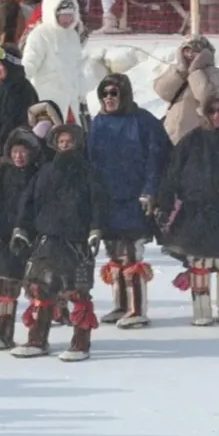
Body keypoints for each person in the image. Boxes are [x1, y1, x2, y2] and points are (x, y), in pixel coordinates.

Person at [10, 123, 110, 361]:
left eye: (69, 142)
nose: (65, 146)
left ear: (77, 144)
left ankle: (81, 343)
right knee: (39, 288)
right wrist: (21, 228)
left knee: (76, 292)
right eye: (61, 142)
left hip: (76, 239)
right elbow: (29, 202)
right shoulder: (45, 172)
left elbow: (99, 202)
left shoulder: (88, 172)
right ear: (55, 144)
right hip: (47, 238)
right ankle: (37, 339)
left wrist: (96, 229)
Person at [156, 90, 219, 326]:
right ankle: (202, 311)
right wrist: (164, 204)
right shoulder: (191, 140)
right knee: (198, 263)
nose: (217, 115)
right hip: (195, 210)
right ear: (205, 112)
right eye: (212, 110)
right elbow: (172, 175)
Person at [86, 75, 168, 328]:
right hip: (107, 198)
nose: (108, 98)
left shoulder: (143, 121)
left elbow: (157, 158)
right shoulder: (98, 122)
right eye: (104, 94)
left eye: (113, 93)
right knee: (114, 254)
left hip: (134, 197)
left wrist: (150, 190)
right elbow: (91, 160)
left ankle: (137, 308)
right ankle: (120, 304)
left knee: (132, 253)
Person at [0, 130, 40, 351]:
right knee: (4, 287)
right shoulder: (2, 175)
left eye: (23, 152)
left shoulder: (38, 176)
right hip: (4, 237)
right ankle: (2, 334)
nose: (18, 157)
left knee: (37, 289)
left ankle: (37, 336)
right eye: (15, 152)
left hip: (32, 239)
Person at [19, 0, 84, 121]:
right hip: (47, 97)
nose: (67, 20)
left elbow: (78, 65)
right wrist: (20, 87)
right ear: (52, 13)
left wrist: (81, 91)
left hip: (71, 99)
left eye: (70, 16)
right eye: (63, 16)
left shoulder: (72, 35)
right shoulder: (40, 35)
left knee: (70, 136)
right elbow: (29, 63)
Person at [154, 36, 219, 144]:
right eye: (187, 50)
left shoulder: (214, 73)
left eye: (195, 51)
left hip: (196, 135)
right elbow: (162, 91)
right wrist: (180, 72)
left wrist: (195, 72)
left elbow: (206, 98)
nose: (190, 55)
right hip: (172, 132)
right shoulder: (177, 69)